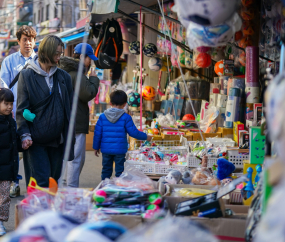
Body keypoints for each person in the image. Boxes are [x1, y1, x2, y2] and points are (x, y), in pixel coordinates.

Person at [16, 35, 74, 187]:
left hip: (58, 139)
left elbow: (69, 109)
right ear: (46, 52)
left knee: (53, 182)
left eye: (60, 53)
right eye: (56, 53)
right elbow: (22, 108)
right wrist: (24, 135)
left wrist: (69, 137)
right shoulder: (27, 75)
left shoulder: (64, 77)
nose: (58, 57)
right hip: (36, 140)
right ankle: (38, 210)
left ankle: (50, 210)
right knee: (40, 183)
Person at [0, 25, 37, 197]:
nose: (28, 43)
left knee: (32, 150)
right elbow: (4, 88)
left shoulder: (39, 61)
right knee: (12, 151)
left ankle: (33, 186)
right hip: (14, 115)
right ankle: (14, 182)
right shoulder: (9, 61)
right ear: (18, 41)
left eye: (31, 40)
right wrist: (7, 110)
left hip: (35, 117)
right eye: (25, 40)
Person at [59, 43, 99, 187]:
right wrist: (94, 79)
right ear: (82, 57)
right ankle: (71, 189)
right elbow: (88, 93)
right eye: (89, 59)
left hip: (69, 119)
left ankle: (65, 184)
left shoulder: (68, 71)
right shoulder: (77, 74)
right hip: (75, 120)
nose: (90, 62)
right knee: (76, 158)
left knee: (72, 157)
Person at [93, 90, 152, 180]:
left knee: (106, 170)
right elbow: (133, 132)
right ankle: (119, 187)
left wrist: (96, 147)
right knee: (120, 172)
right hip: (120, 150)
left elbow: (97, 133)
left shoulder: (102, 117)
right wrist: (146, 137)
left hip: (106, 149)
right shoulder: (126, 117)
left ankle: (104, 187)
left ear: (110, 103)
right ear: (125, 104)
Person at [0, 89, 25, 236]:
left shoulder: (11, 122)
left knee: (4, 197)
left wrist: (23, 143)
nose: (9, 107)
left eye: (11, 104)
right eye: (6, 103)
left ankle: (1, 222)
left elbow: (14, 142)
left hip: (6, 169)